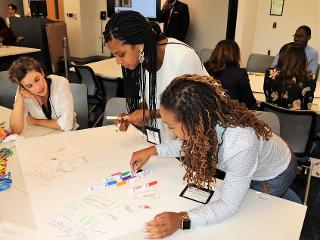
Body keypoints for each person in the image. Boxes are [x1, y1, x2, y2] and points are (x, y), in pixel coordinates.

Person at [130, 75, 301, 239]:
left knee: (243, 224)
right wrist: (153, 150)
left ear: (194, 122)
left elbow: (228, 205)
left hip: (274, 174)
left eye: (171, 127)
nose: (170, 132)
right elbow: (190, 142)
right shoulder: (208, 117)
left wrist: (182, 218)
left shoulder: (240, 146)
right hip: (254, 161)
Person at [104, 10, 207, 142]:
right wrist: (133, 115)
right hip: (163, 144)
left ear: (139, 44)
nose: (118, 61)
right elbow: (148, 100)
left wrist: (150, 114)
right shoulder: (141, 61)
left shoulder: (182, 57)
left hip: (191, 145)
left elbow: (194, 108)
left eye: (121, 54)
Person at [9, 57, 78, 134]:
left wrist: (35, 121)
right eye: (29, 86)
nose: (38, 88)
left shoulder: (61, 83)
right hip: (42, 134)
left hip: (68, 134)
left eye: (37, 79)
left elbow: (67, 125)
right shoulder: (23, 92)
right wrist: (20, 97)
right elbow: (16, 129)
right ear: (23, 87)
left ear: (42, 72)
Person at [204, 39, 257, 109]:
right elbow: (250, 102)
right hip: (231, 116)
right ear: (236, 55)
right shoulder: (240, 73)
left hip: (206, 114)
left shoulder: (204, 68)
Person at [264, 42, 316, 110]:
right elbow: (307, 107)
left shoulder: (270, 73)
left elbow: (267, 98)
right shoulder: (310, 79)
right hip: (298, 119)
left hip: (272, 117)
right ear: (302, 59)